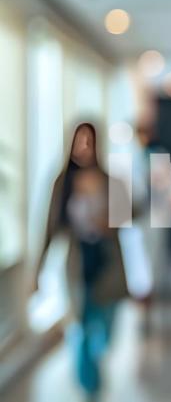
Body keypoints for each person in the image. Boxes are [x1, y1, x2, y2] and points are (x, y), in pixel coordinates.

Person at [33, 121, 130, 398]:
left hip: (107, 259)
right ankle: (90, 386)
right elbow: (49, 227)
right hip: (79, 261)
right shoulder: (62, 183)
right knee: (83, 324)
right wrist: (37, 271)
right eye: (80, 140)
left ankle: (94, 369)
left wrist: (108, 221)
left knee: (107, 323)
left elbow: (129, 214)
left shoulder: (110, 180)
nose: (84, 146)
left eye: (89, 140)